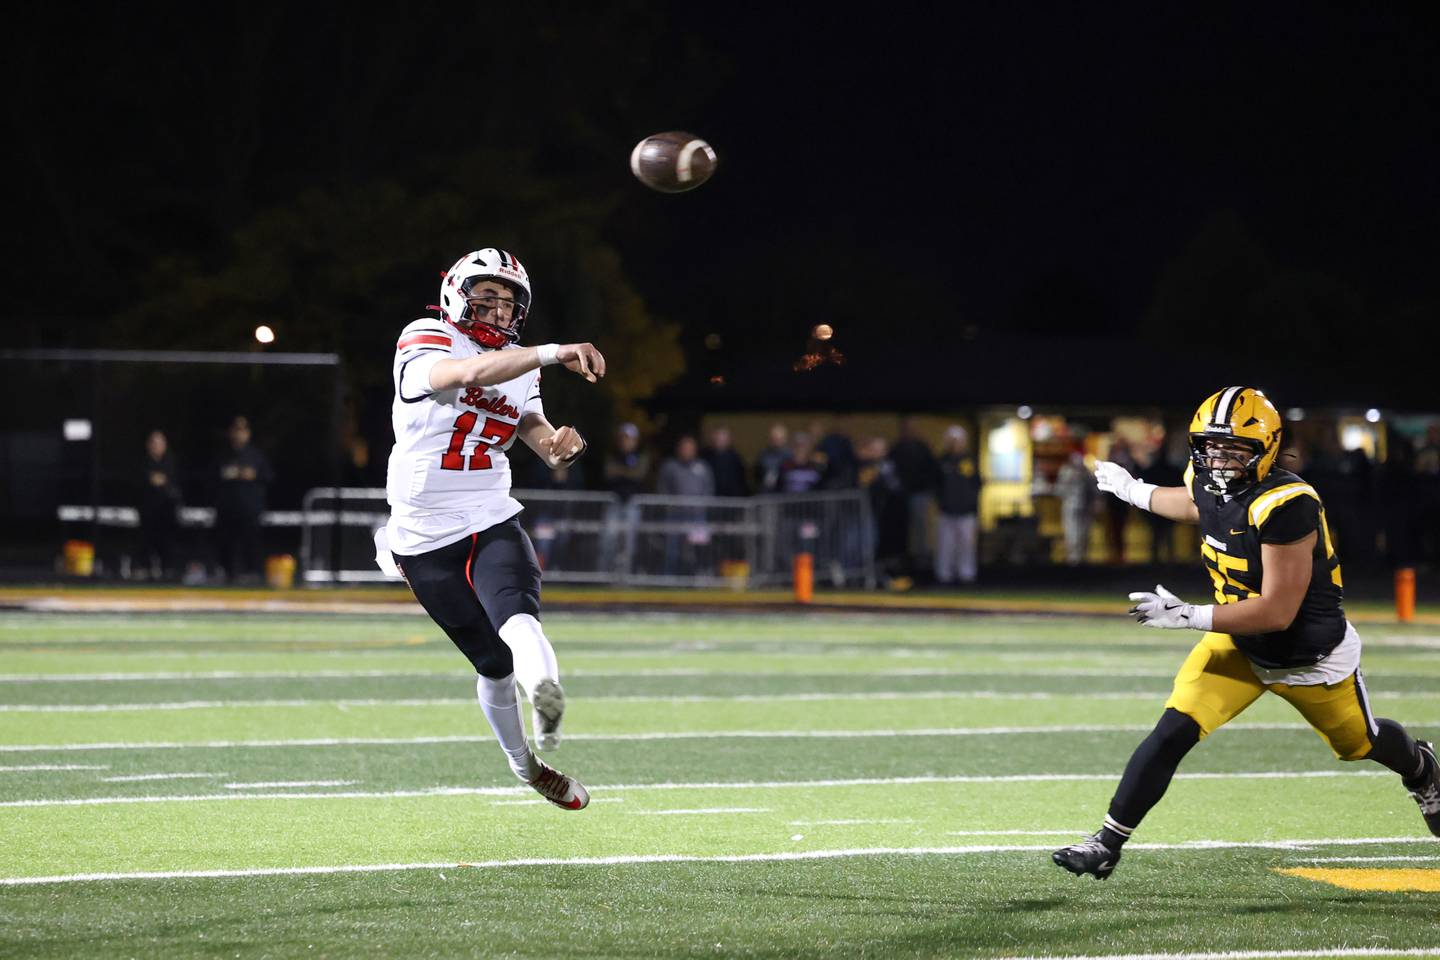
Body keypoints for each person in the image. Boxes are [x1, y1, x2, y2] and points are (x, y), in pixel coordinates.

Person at [1053, 387, 1440, 880]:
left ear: (1269, 448)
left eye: (1236, 448)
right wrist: (1133, 490)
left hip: (1306, 656)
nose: (1220, 459)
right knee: (1173, 730)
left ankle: (1422, 768)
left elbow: (1278, 611)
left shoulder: (1286, 503)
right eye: (1212, 447)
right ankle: (1106, 843)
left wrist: (1190, 616)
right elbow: (1195, 503)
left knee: (1359, 743)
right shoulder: (1209, 478)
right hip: (1236, 639)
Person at [372, 247, 602, 812]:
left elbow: (532, 427)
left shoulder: (521, 365)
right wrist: (551, 352)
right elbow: (467, 374)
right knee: (493, 663)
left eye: (509, 303)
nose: (498, 310)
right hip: (423, 533)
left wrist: (558, 446)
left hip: (490, 510)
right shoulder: (427, 335)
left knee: (518, 618)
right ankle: (526, 764)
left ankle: (547, 696)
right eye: (488, 296)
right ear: (457, 291)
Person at [213, 415, 273, 583]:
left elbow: (268, 476)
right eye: (235, 430)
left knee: (251, 541)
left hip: (250, 508)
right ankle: (226, 572)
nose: (239, 434)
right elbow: (211, 478)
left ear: (248, 433)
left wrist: (253, 474)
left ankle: (252, 572)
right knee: (226, 542)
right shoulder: (223, 455)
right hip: (227, 508)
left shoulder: (256, 455)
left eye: (242, 430)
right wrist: (227, 474)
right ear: (230, 433)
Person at [656, 435, 716, 574]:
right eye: (684, 447)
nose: (686, 450)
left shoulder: (703, 467)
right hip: (674, 517)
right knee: (672, 550)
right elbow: (662, 488)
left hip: (697, 517)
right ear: (678, 449)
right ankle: (669, 579)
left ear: (695, 450)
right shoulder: (670, 467)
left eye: (690, 448)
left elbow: (709, 489)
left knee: (698, 550)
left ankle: (697, 578)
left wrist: (702, 506)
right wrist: (669, 505)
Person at [934, 425, 981, 585]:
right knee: (946, 545)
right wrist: (940, 502)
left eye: (958, 440)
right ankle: (944, 575)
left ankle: (966, 575)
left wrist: (972, 502)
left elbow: (977, 483)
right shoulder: (942, 461)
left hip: (966, 510)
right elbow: (936, 485)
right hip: (946, 510)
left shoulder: (969, 460)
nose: (955, 444)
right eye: (952, 440)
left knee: (966, 545)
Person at [138, 429, 182, 579]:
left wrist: (161, 481)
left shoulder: (171, 461)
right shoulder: (142, 462)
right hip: (147, 508)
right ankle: (145, 568)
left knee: (166, 540)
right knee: (146, 539)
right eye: (153, 443)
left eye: (159, 443)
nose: (156, 446)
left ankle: (167, 569)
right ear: (148, 445)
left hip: (166, 509)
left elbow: (173, 483)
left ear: (165, 445)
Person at [603, 422, 650, 500]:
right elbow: (608, 472)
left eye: (628, 438)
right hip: (613, 499)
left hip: (635, 500)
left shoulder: (641, 456)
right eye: (622, 438)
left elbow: (638, 474)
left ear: (636, 440)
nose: (625, 441)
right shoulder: (612, 455)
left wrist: (619, 470)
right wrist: (629, 471)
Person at [700, 425, 749, 498]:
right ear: (713, 439)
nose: (721, 441)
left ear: (729, 440)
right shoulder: (705, 456)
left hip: (732, 499)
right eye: (718, 439)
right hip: (712, 498)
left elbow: (741, 480)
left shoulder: (736, 458)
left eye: (723, 439)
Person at [754, 423, 790, 493]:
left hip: (784, 494)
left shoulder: (790, 456)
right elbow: (757, 473)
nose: (776, 441)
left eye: (779, 439)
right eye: (774, 438)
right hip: (766, 493)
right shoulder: (764, 455)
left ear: (785, 439)